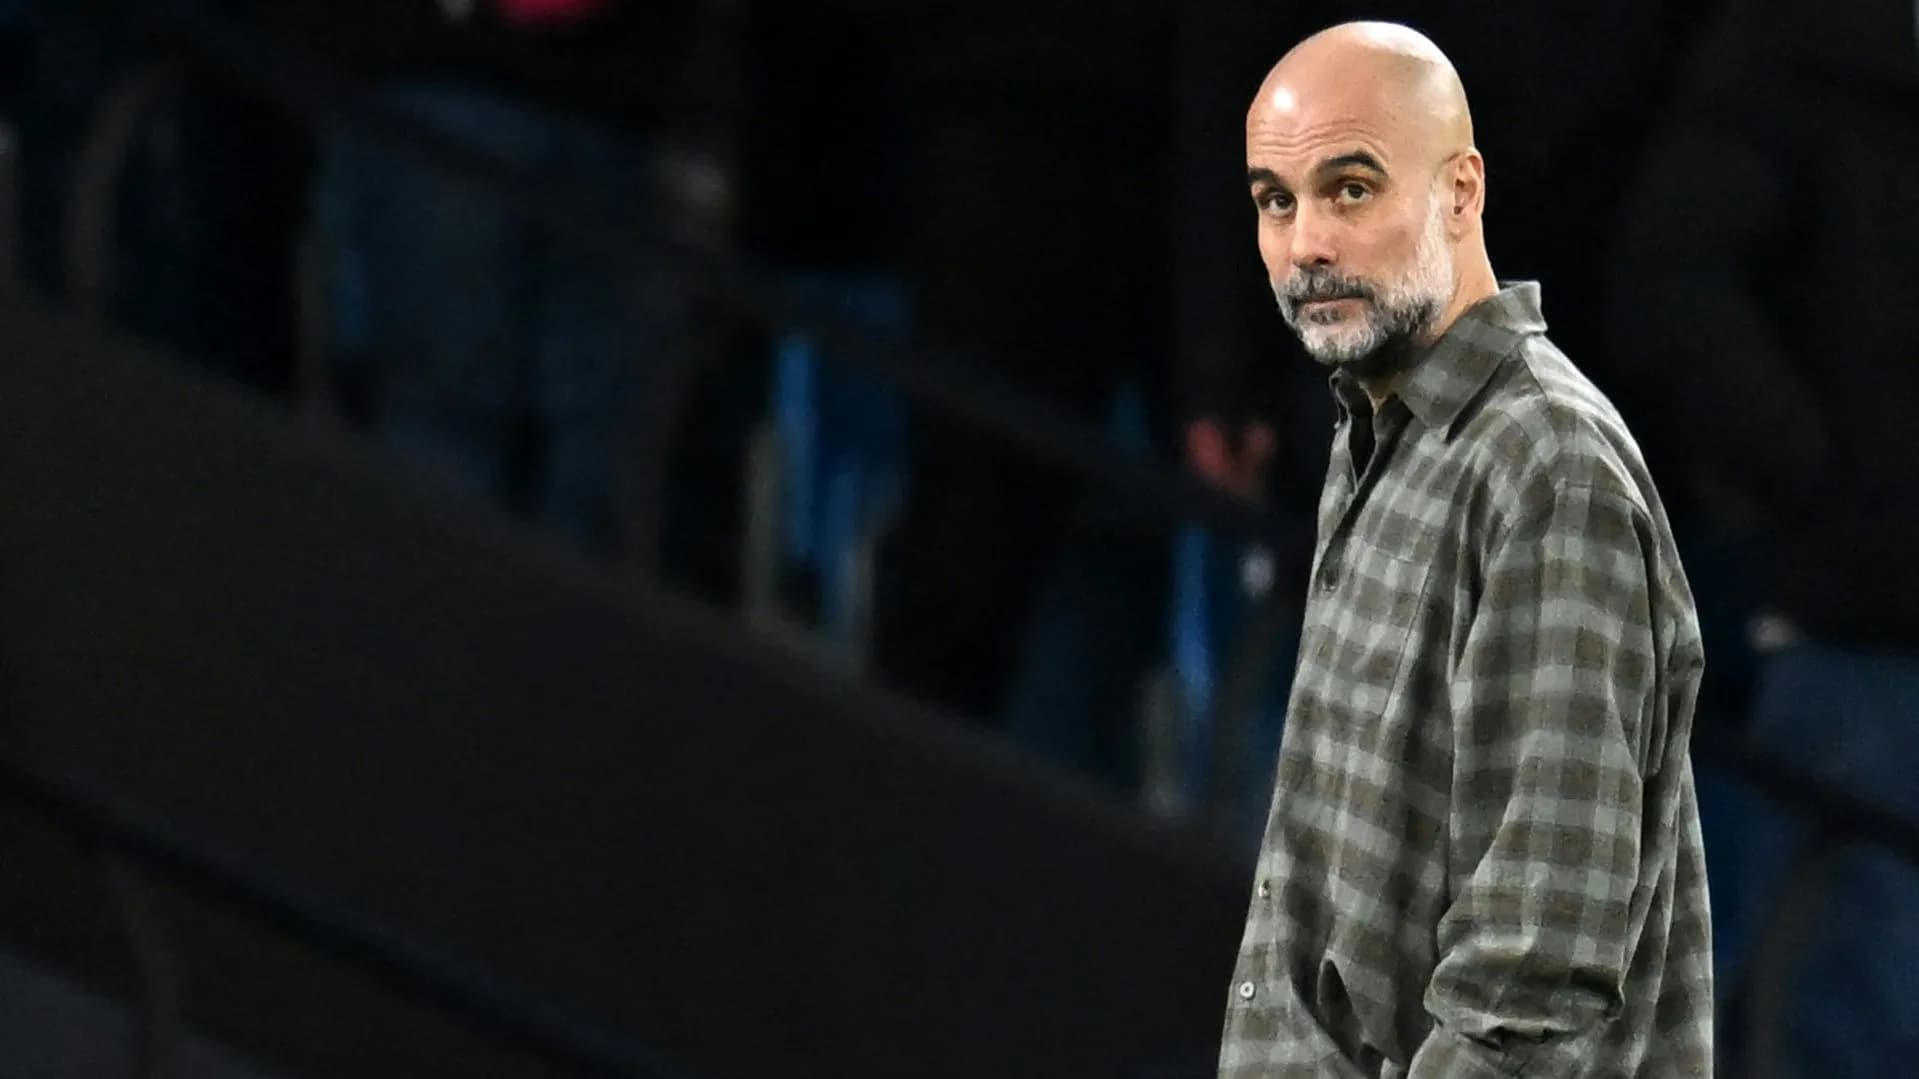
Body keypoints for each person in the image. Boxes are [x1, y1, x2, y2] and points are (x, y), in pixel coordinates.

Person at [1217, 22, 1713, 1077]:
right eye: (1275, 201)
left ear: (1460, 190)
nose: (1305, 244)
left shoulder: (1547, 468)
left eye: (1350, 189)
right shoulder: (1377, 433)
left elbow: (1528, 986)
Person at [1606, 0, 1919, 1072]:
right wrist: (1826, 481)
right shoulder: (1810, 45)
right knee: (1843, 1006)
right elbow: (1669, 280)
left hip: (1852, 599)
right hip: (1856, 618)